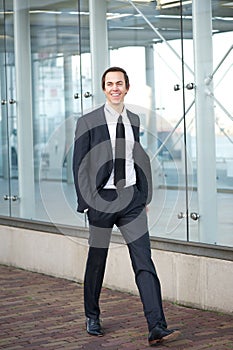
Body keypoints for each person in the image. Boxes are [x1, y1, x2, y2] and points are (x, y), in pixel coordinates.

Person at [73, 66, 181, 346]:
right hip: (101, 199)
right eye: (109, 83)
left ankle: (156, 325)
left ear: (127, 87)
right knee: (97, 261)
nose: (114, 88)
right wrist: (86, 202)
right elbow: (79, 164)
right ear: (103, 88)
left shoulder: (134, 119)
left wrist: (143, 196)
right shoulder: (87, 121)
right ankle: (92, 315)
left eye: (119, 83)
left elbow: (138, 157)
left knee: (144, 261)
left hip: (131, 200)